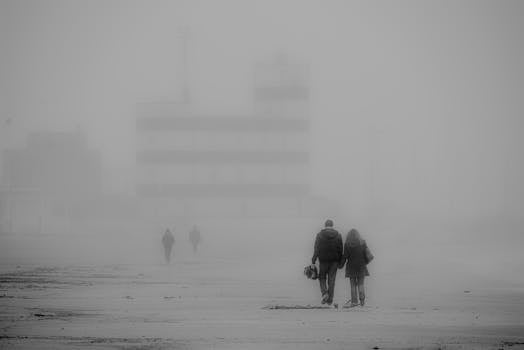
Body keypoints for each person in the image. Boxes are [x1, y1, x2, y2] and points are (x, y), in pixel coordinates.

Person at [311, 219, 343, 306]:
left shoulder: (320, 235)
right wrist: (340, 261)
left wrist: (313, 261)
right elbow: (340, 249)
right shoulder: (338, 235)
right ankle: (330, 300)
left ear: (325, 225)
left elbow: (316, 248)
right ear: (332, 225)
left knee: (322, 278)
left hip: (323, 260)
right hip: (335, 261)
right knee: (331, 280)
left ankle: (325, 293)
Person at [342, 229, 373, 307]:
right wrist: (365, 262)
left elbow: (345, 256)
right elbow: (366, 254)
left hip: (351, 267)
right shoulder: (362, 242)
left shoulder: (347, 244)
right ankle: (362, 302)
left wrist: (340, 265)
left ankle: (354, 301)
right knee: (361, 284)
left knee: (353, 285)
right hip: (361, 266)